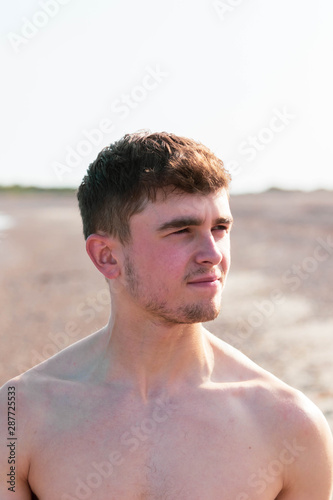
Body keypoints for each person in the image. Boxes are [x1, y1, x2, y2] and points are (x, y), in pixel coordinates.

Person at [0, 132, 332, 500]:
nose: (213, 254)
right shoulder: (19, 417)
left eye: (220, 228)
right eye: (181, 231)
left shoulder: (288, 426)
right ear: (107, 257)